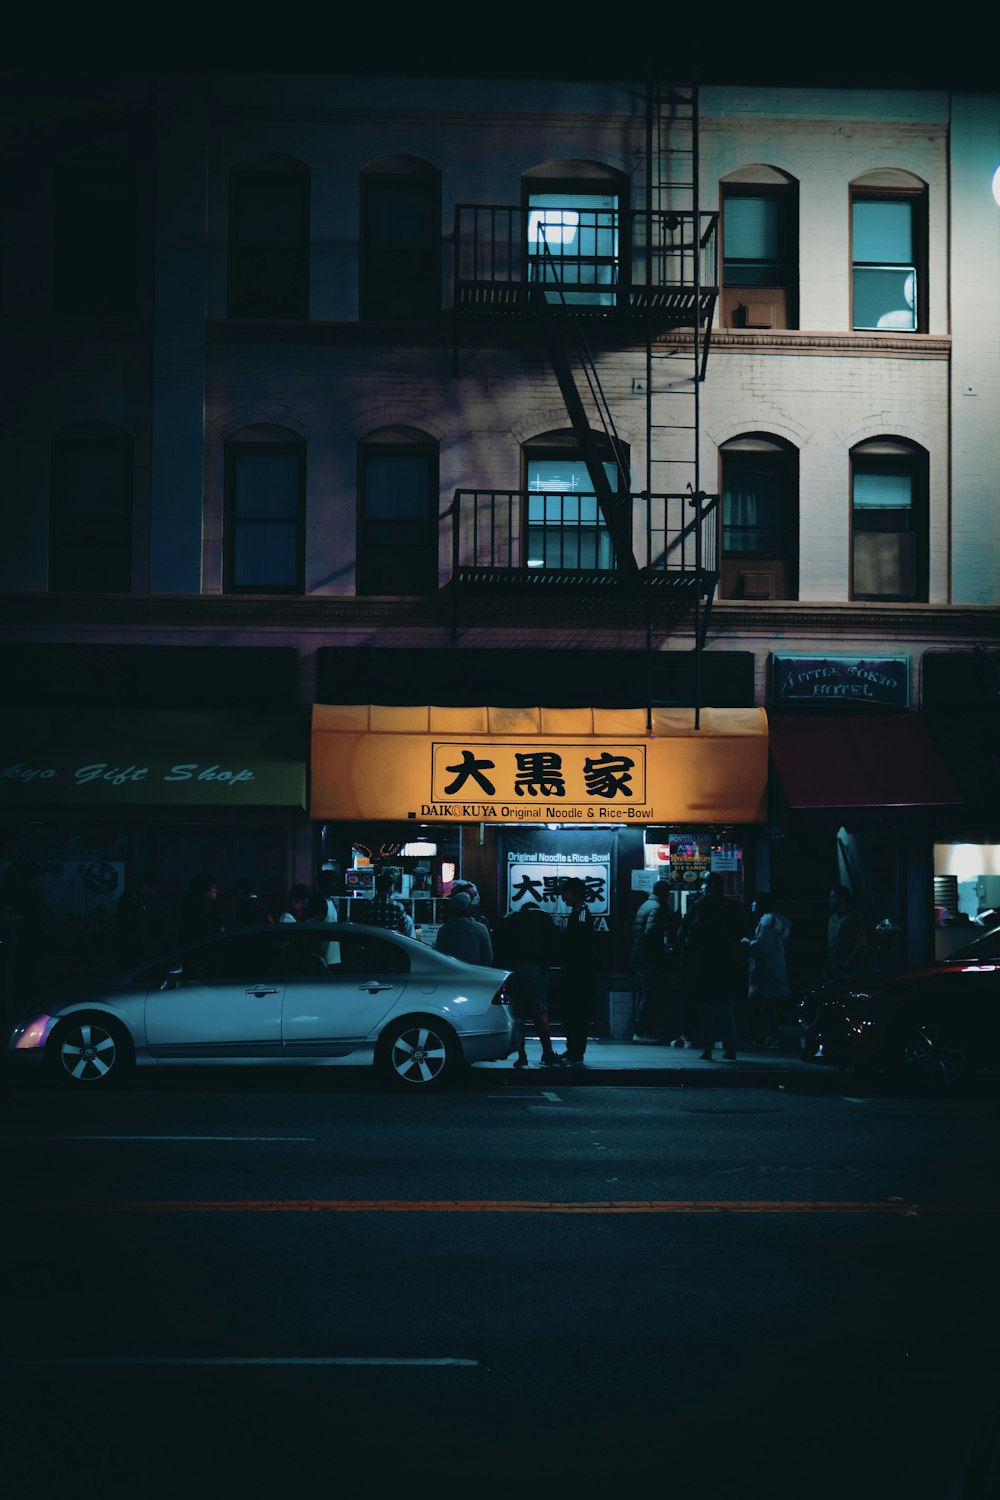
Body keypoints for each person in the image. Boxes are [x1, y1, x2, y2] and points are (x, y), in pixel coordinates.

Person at [683, 873, 746, 1061]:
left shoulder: (700, 905)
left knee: (706, 1008)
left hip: (704, 963)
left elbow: (687, 930)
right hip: (725, 964)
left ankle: (708, 1047)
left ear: (709, 886)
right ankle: (729, 1046)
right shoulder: (730, 907)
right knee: (725, 1007)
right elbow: (741, 931)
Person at [493, 899, 563, 1068]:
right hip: (534, 969)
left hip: (510, 970)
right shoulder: (543, 919)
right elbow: (554, 945)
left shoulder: (509, 919)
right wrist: (546, 967)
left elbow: (496, 945)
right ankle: (547, 1053)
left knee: (518, 1014)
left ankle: (521, 1055)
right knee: (540, 1011)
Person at [630, 879, 681, 1044]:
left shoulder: (646, 905)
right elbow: (650, 932)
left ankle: (639, 1030)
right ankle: (641, 1031)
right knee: (647, 994)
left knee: (641, 994)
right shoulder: (656, 908)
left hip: (637, 956)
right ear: (665, 894)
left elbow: (634, 930)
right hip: (646, 958)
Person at [742, 892, 791, 1048]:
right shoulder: (774, 920)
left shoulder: (766, 922)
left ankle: (760, 1037)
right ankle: (768, 1035)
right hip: (773, 970)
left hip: (766, 971)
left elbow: (762, 946)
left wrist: (746, 943)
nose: (752, 905)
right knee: (768, 1007)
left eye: (754, 902)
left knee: (759, 1005)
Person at [556, 876, 597, 1065]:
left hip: (577, 974)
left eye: (567, 894)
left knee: (576, 1015)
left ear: (576, 894)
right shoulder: (578, 913)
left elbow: (578, 943)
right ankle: (572, 1050)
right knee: (572, 1014)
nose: (564, 898)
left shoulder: (581, 914)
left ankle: (576, 1052)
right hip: (575, 972)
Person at [114, 870, 165, 967]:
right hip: (129, 953)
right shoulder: (129, 900)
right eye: (154, 890)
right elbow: (129, 929)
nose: (155, 894)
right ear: (145, 885)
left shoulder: (139, 900)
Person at [434, 891, 493, 965]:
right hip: (475, 973)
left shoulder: (444, 930)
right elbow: (488, 958)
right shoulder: (481, 929)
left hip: (452, 973)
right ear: (469, 908)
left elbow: (439, 958)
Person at [826, 885, 869, 979]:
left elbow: (861, 943)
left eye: (833, 897)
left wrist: (846, 963)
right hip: (833, 968)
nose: (829, 901)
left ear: (842, 899)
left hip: (850, 970)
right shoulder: (832, 917)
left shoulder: (854, 916)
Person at [365, 871, 415, 936]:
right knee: (408, 919)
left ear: (376, 888)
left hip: (372, 940)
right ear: (390, 888)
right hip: (391, 942)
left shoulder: (366, 905)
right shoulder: (398, 906)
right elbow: (403, 928)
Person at [177, 874, 223, 944]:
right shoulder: (195, 914)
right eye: (214, 889)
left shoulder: (210, 909)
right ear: (205, 891)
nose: (217, 891)